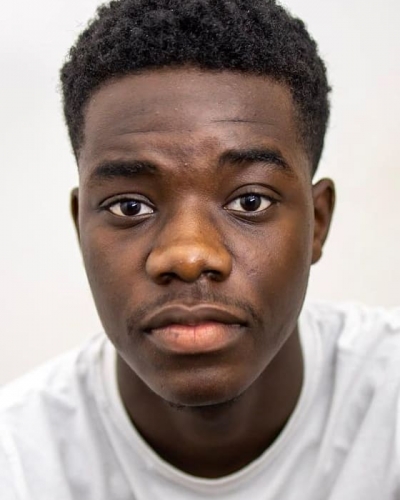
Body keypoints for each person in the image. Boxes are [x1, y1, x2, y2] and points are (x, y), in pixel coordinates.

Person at [1, 0, 399, 498]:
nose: (188, 256)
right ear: (80, 226)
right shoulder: (17, 462)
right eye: (129, 207)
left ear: (317, 223)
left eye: (250, 201)